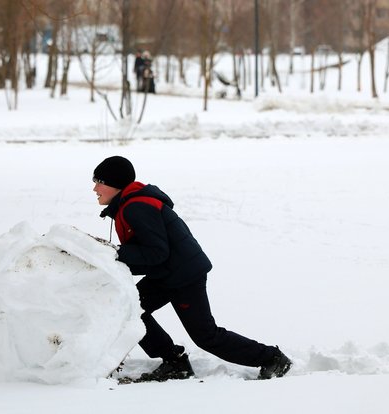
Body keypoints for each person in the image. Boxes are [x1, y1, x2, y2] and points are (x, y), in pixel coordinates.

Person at [92, 156, 292, 381]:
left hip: (184, 275)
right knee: (128, 308)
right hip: (166, 273)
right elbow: (150, 254)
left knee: (206, 336)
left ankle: (273, 359)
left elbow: (156, 252)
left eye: (99, 181)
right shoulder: (129, 204)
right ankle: (175, 362)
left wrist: (115, 253)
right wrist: (113, 259)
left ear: (116, 183)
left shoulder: (136, 206)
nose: (95, 188)